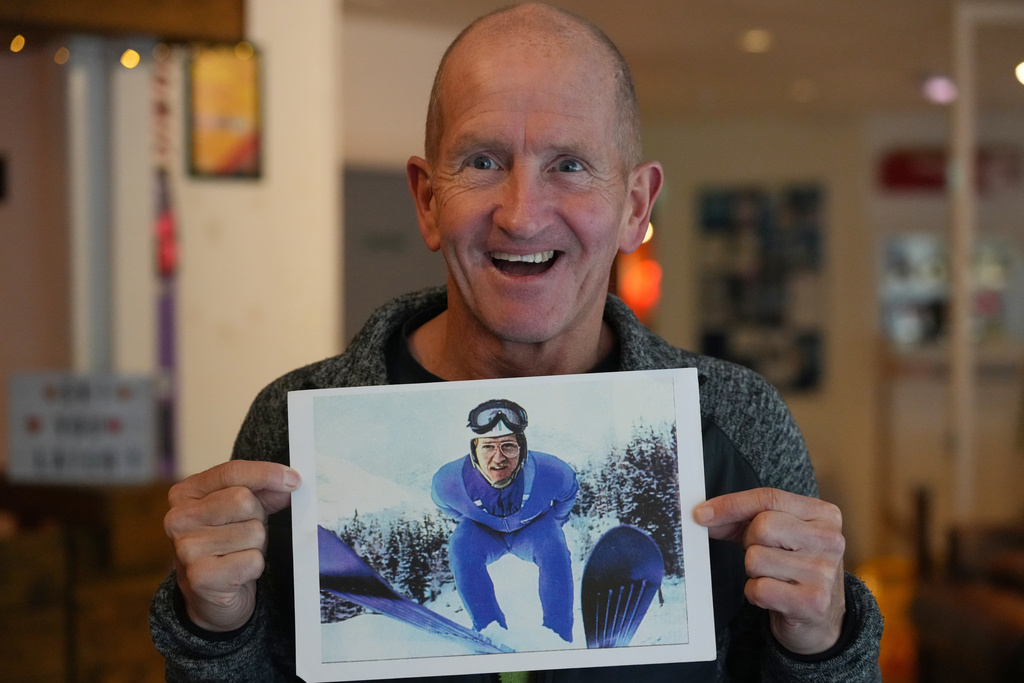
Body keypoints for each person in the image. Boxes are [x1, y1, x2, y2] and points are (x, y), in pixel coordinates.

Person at [150, 4, 883, 682]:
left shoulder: (734, 420)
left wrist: (818, 640)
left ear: (635, 206)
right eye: (482, 161)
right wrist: (216, 629)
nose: (522, 214)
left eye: (569, 164)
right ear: (427, 199)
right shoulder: (293, 426)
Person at [431, 399, 578, 642]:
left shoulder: (552, 471)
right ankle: (490, 631)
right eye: (488, 447)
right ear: (474, 452)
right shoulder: (447, 481)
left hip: (533, 530)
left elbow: (568, 494)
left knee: (554, 544)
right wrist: (473, 520)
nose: (498, 458)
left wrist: (555, 521)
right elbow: (446, 506)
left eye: (508, 446)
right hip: (485, 534)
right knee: (461, 546)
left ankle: (558, 636)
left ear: (522, 450)